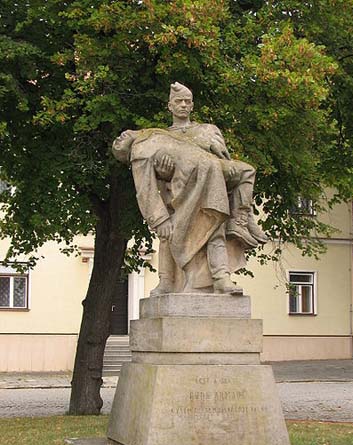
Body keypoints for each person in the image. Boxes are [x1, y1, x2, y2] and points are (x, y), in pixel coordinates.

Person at [112, 82, 267, 295]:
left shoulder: (204, 130)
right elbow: (145, 187)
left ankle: (237, 228)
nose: (183, 105)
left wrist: (224, 163)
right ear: (170, 106)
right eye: (179, 101)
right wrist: (159, 216)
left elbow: (223, 157)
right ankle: (168, 281)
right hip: (181, 192)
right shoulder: (143, 148)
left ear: (192, 105)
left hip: (212, 178)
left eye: (187, 101)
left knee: (243, 176)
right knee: (173, 232)